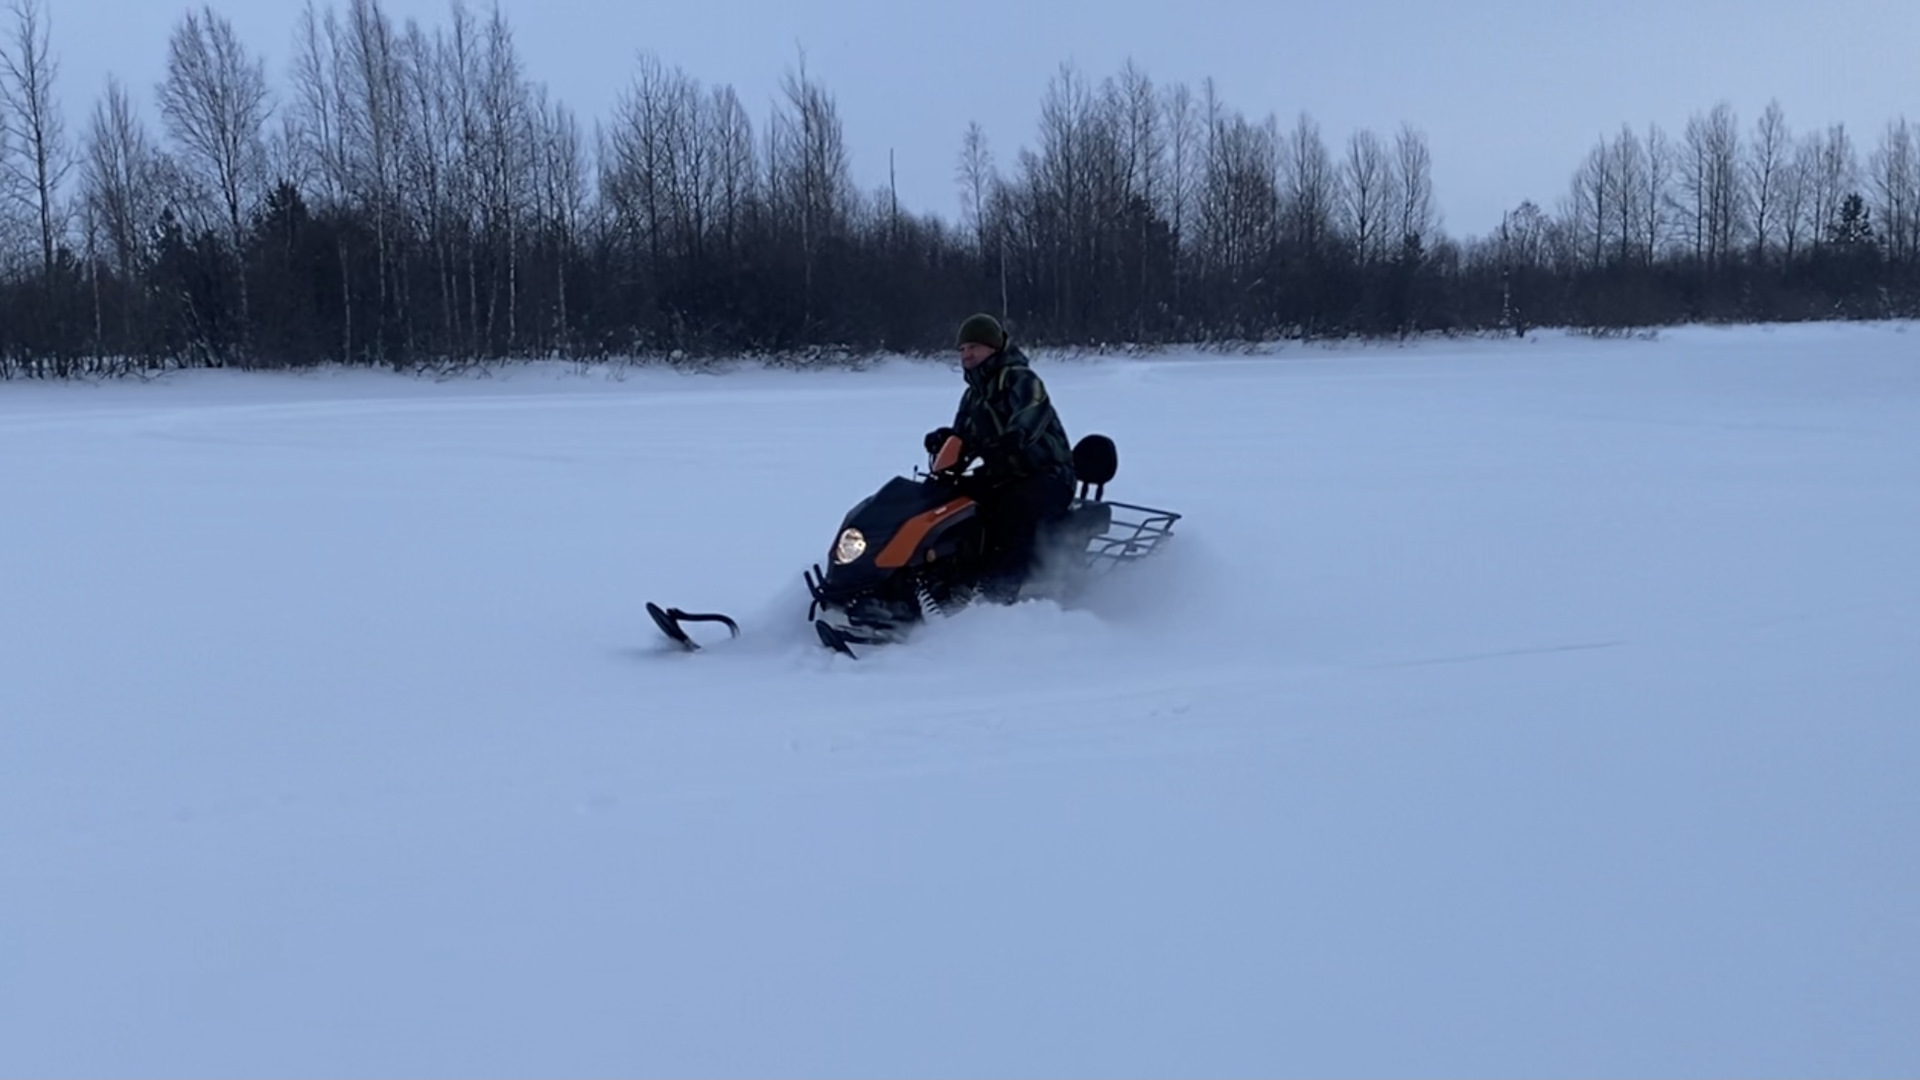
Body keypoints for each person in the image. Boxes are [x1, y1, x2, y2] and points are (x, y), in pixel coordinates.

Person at [922, 313, 1076, 601]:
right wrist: (944, 442)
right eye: (962, 349)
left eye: (974, 347)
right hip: (1004, 473)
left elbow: (1028, 420)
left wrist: (1008, 442)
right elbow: (962, 437)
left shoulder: (1022, 380)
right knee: (950, 503)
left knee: (1014, 511)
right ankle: (942, 577)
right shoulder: (973, 396)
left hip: (1047, 472)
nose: (966, 355)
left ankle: (1001, 592)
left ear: (993, 348)